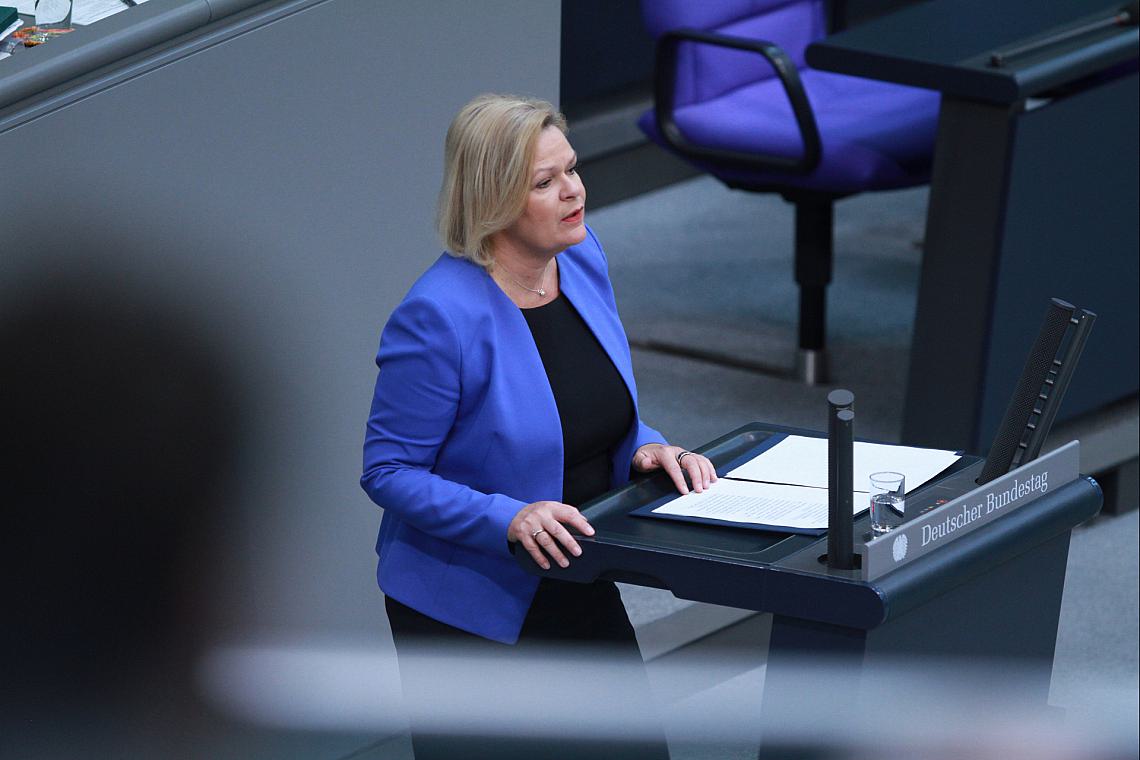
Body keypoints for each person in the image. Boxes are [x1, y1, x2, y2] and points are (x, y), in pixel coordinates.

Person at [361, 93, 716, 758]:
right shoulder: (438, 317)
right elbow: (388, 471)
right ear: (493, 199)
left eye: (572, 169)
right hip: (470, 602)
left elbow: (586, 407)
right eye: (545, 182)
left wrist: (646, 448)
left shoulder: (580, 259)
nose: (573, 191)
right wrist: (510, 518)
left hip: (578, 569)